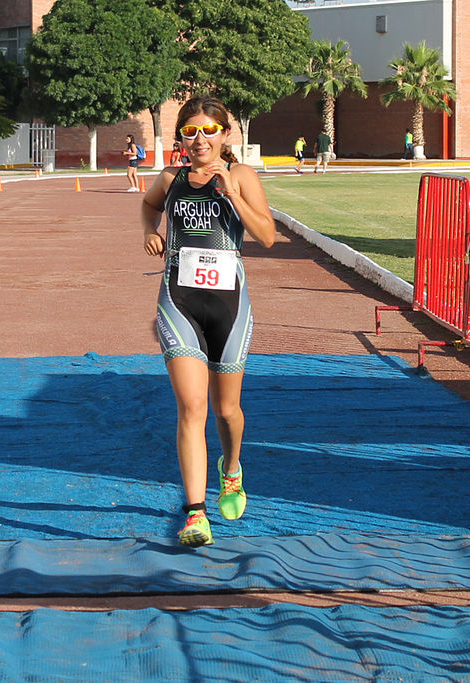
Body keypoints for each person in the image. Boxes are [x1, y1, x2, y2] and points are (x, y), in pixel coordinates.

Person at [141, 95, 277, 547]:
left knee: (225, 410)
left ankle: (232, 468)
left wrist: (232, 192)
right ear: (180, 137)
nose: (199, 140)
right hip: (178, 302)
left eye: (209, 131)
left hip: (229, 307)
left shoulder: (241, 176)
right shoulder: (170, 178)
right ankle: (195, 514)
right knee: (192, 408)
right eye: (190, 132)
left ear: (225, 135)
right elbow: (149, 205)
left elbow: (268, 237)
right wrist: (150, 232)